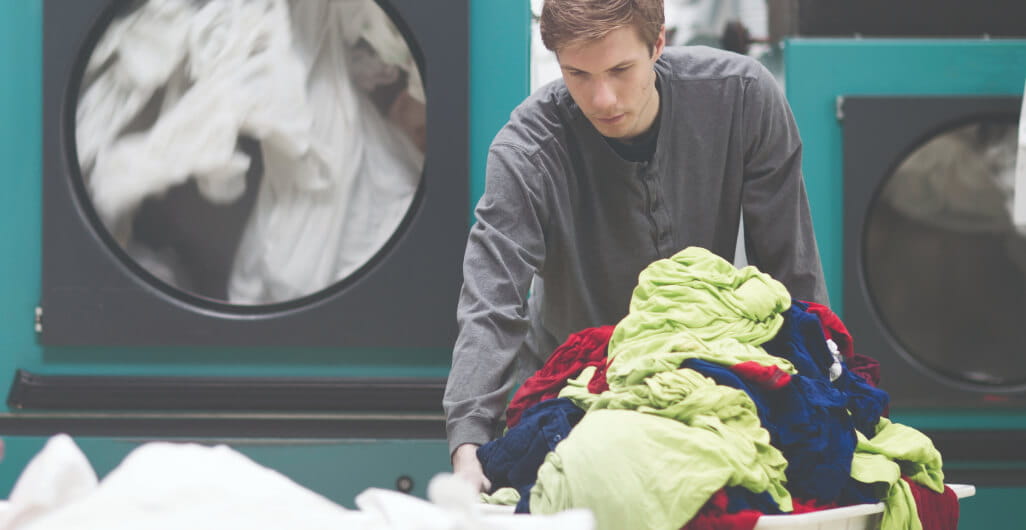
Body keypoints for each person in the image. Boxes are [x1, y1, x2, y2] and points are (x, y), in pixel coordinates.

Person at [443, 0, 828, 491]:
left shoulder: (742, 98)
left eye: (620, 70)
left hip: (701, 387)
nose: (602, 98)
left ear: (659, 43)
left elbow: (790, 273)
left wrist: (827, 393)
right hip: (567, 396)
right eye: (577, 74)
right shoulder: (527, 151)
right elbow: (490, 301)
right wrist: (468, 444)